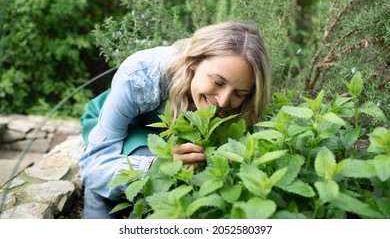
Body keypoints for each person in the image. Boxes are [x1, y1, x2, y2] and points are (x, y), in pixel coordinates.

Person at [79, 21, 271, 218]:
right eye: (218, 82)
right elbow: (93, 165)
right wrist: (159, 165)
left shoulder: (237, 102)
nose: (223, 101)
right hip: (127, 127)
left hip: (167, 137)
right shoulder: (140, 76)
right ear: (194, 62)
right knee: (131, 164)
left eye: (239, 93)